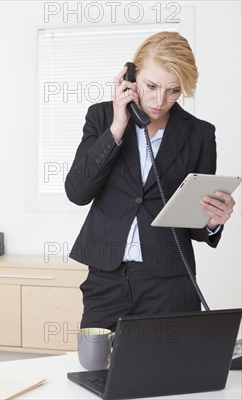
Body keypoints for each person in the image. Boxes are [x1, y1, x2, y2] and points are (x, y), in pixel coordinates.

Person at [64, 31, 236, 330]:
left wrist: (212, 221)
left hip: (169, 282)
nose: (160, 100)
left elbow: (194, 222)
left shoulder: (200, 134)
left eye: (173, 90)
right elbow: (77, 191)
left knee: (172, 374)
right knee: (96, 371)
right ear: (130, 78)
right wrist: (119, 125)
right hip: (107, 278)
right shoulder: (102, 117)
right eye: (151, 86)